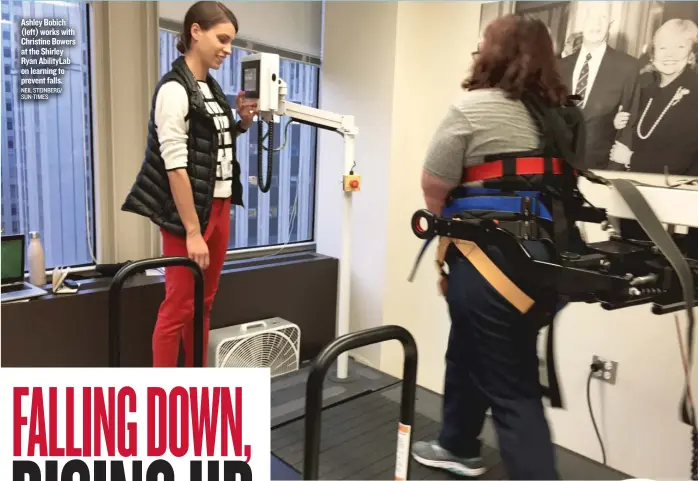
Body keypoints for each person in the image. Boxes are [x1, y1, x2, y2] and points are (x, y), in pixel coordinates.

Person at [410, 14, 587, 480]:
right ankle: (457, 444)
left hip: (489, 266)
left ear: (494, 53)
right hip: (549, 267)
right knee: (470, 348)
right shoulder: (566, 117)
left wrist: (447, 259)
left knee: (513, 388)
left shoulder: (474, 108)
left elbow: (434, 189)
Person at [121, 1, 258, 367]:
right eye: (222, 39)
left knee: (205, 302)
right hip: (189, 215)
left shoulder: (208, 88)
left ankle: (195, 383)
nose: (228, 49)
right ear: (195, 32)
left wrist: (241, 123)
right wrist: (193, 232)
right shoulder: (174, 90)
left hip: (221, 205)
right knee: (178, 307)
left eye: (231, 41)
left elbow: (209, 146)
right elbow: (176, 167)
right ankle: (164, 399)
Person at [558, 1, 640, 170]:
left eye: (602, 18)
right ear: (581, 23)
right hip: (559, 168)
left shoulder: (628, 67)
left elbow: (628, 127)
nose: (596, 24)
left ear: (610, 24)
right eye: (590, 18)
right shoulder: (559, 67)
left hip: (599, 170)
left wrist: (613, 174)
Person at [610, 18, 698, 176]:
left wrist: (631, 158)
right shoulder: (645, 87)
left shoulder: (695, 91)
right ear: (653, 54)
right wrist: (618, 124)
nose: (670, 55)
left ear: (691, 54)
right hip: (638, 184)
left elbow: (683, 158)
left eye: (680, 46)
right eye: (663, 47)